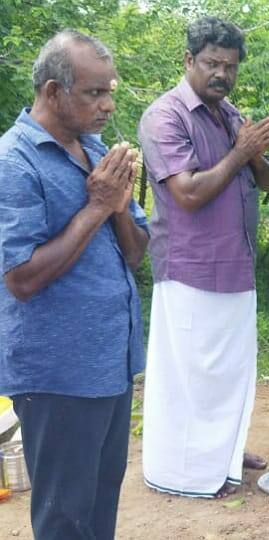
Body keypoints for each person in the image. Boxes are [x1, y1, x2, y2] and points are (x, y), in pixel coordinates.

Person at [0, 30, 148, 539]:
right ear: (52, 91)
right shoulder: (14, 161)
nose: (108, 105)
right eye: (94, 93)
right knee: (65, 516)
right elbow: (21, 278)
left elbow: (134, 254)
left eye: (111, 91)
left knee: (100, 499)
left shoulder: (95, 150)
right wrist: (96, 208)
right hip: (58, 372)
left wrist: (119, 206)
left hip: (110, 363)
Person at [138, 16, 269, 499]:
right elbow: (189, 193)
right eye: (212, 63)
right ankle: (184, 476)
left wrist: (254, 150)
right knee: (190, 378)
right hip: (190, 268)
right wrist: (242, 151)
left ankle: (222, 453)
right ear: (188, 61)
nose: (222, 74)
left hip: (235, 265)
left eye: (230, 66)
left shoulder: (229, 113)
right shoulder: (166, 116)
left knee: (228, 373)